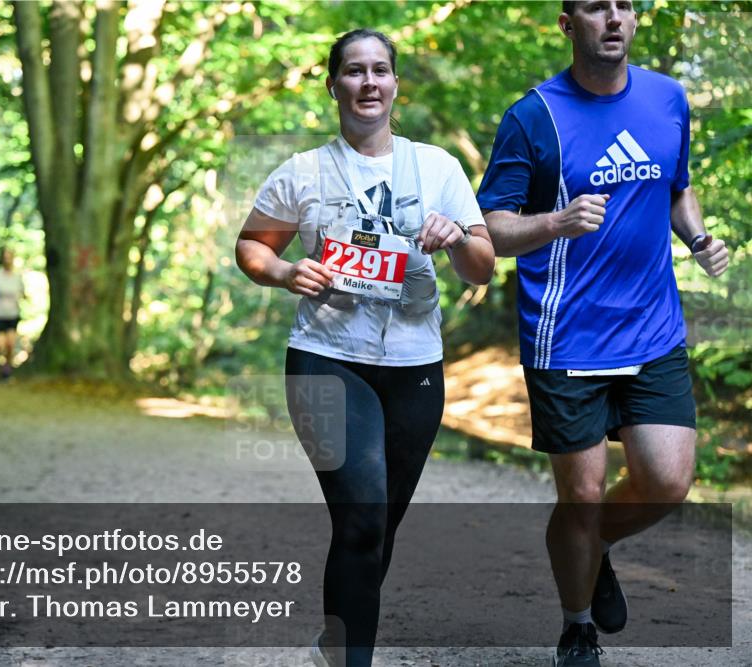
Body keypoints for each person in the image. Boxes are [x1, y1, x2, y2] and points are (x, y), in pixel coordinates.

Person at [476, 2, 730, 665]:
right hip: (567, 337)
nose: (613, 18)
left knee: (668, 481)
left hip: (652, 329)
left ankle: (596, 548)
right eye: (595, 7)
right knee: (581, 493)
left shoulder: (668, 99)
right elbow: (491, 227)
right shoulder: (534, 117)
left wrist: (698, 237)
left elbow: (677, 188)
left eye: (625, 6)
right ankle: (577, 625)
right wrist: (554, 223)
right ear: (568, 24)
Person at [235, 29, 495, 667]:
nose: (369, 82)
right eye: (354, 71)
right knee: (362, 519)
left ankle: (338, 635)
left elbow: (482, 268)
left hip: (413, 368)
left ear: (395, 85)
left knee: (380, 527)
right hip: (324, 359)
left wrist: (458, 234)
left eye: (381, 70)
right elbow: (253, 246)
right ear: (334, 86)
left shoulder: (437, 168)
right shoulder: (302, 171)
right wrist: (284, 273)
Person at [0, 247, 25, 380]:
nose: (7, 260)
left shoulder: (18, 277)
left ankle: (6, 370)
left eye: (10, 257)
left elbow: (22, 292)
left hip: (13, 314)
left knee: (10, 344)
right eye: (5, 257)